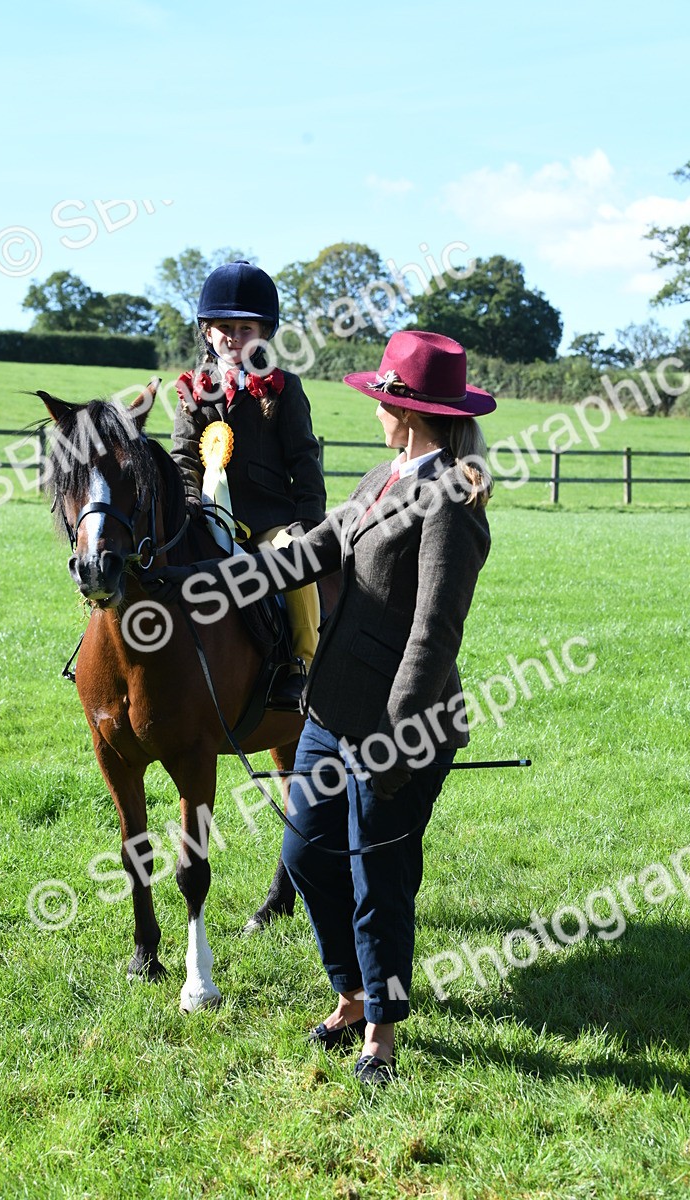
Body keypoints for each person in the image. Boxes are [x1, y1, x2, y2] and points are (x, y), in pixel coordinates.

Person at [156, 330, 495, 1086]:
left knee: (382, 878)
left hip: (400, 728)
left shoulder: (453, 499)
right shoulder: (383, 477)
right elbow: (315, 547)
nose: (375, 411)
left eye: (381, 400)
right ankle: (348, 989)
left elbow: (434, 632)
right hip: (330, 711)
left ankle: (381, 1027)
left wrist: (397, 738)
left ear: (405, 411)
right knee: (307, 853)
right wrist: (215, 581)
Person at [171, 260, 326, 707]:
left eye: (244, 327)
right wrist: (187, 505)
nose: (233, 337)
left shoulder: (284, 388)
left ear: (263, 332)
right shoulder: (190, 391)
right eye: (223, 327)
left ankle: (301, 665)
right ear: (206, 330)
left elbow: (304, 457)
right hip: (206, 516)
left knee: (292, 562)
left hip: (267, 519)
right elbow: (183, 456)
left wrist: (308, 520)